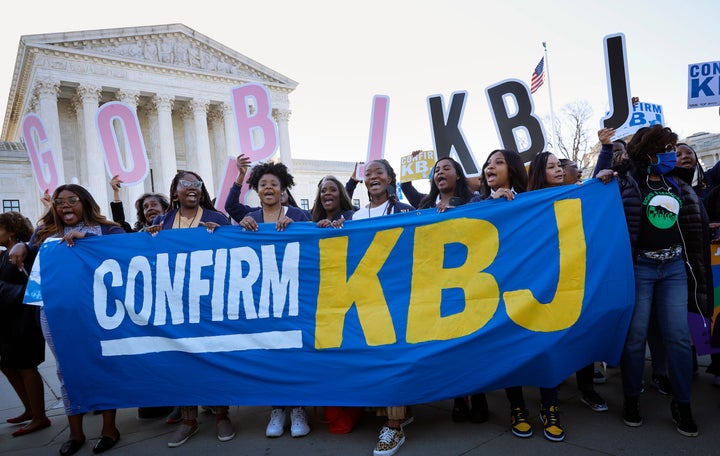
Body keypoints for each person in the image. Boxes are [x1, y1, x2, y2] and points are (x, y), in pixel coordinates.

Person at [596, 124, 711, 437]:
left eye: (673, 149)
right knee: (635, 340)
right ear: (648, 153)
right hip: (640, 269)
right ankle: (632, 398)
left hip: (674, 268)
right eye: (666, 149)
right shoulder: (626, 182)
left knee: (677, 337)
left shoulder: (678, 185)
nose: (672, 155)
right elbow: (595, 198)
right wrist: (605, 173)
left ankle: (682, 403)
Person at [9, 184, 124, 455]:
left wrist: (90, 242)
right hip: (55, 311)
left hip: (98, 309)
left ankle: (109, 428)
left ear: (84, 202)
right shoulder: (44, 233)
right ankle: (75, 433)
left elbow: (126, 247)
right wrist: (20, 245)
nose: (65, 206)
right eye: (60, 202)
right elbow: (29, 246)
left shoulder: (107, 229)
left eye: (72, 200)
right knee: (66, 369)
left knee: (102, 363)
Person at [145, 170, 235, 447]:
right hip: (175, 304)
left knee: (214, 356)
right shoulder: (163, 221)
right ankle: (188, 420)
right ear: (175, 192)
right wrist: (148, 237)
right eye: (186, 184)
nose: (192, 188)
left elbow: (235, 249)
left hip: (210, 302)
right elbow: (144, 254)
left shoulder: (216, 218)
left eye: (197, 184)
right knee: (181, 361)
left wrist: (221, 235)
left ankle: (221, 415)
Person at [238, 162, 311, 438]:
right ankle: (277, 409)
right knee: (271, 354)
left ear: (283, 191)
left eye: (274, 184)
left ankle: (298, 409)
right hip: (263, 299)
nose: (268, 188)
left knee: (294, 353)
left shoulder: (298, 215)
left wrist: (297, 228)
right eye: (263, 184)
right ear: (257, 190)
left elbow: (318, 239)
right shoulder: (250, 219)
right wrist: (239, 230)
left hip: (295, 296)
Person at [349, 159, 413, 456]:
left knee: (392, 357)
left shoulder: (404, 211)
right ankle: (396, 411)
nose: (373, 177)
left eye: (379, 173)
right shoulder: (356, 215)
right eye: (368, 174)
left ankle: (394, 426)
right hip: (366, 297)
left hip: (397, 296)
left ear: (390, 179)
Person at [0, 211, 51, 438]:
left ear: (11, 230)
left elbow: (35, 285)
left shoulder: (26, 251)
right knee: (8, 365)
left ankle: (39, 416)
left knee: (26, 366)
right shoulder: (5, 254)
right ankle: (29, 409)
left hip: (26, 317)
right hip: (9, 318)